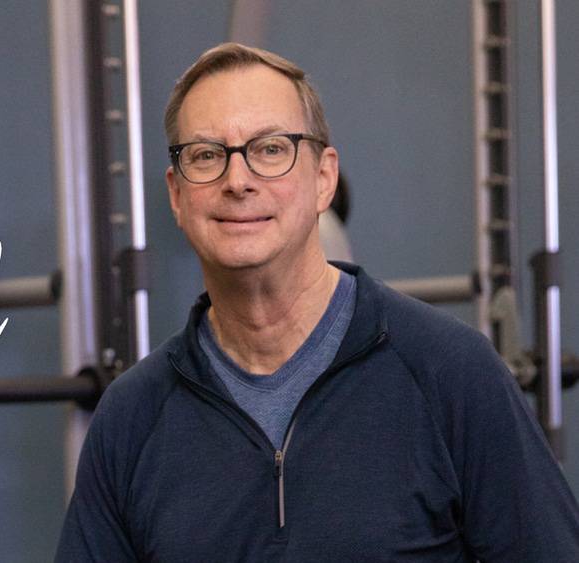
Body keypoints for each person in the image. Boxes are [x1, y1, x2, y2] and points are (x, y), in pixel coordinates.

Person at [56, 43, 579, 562]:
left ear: (324, 178)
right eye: (207, 155)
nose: (237, 181)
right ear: (176, 195)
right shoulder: (131, 417)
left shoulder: (450, 373)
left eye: (270, 149)